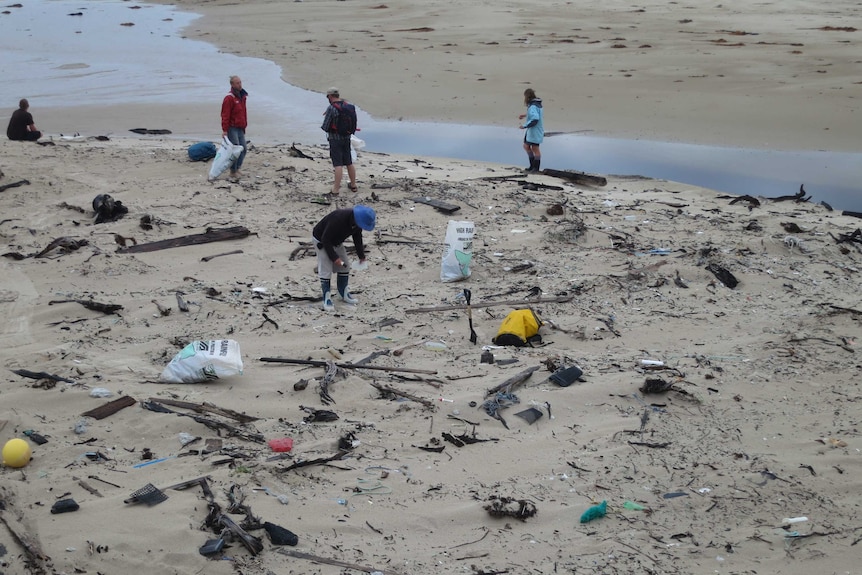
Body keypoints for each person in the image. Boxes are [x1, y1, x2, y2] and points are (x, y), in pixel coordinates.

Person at [312, 205, 376, 312]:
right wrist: (334, 258)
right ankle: (326, 298)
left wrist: (361, 256)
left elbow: (357, 238)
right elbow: (325, 239)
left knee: (344, 265)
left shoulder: (356, 223)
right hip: (322, 241)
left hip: (337, 242)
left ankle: (343, 293)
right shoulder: (338, 219)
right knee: (326, 269)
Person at [321, 87, 357, 195]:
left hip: (335, 139)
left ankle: (336, 189)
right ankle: (353, 185)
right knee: (349, 162)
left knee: (338, 164)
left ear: (330, 96)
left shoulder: (331, 108)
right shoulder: (348, 106)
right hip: (347, 137)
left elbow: (325, 126)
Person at [221, 75, 248, 181]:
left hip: (240, 127)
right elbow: (225, 115)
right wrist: (224, 130)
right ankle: (232, 171)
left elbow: (243, 112)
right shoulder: (229, 98)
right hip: (232, 127)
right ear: (232, 84)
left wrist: (244, 125)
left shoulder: (242, 96)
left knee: (244, 149)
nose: (240, 85)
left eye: (240, 82)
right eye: (237, 83)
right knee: (235, 150)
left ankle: (237, 168)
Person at [518, 88, 544, 172]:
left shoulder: (533, 105)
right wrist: (525, 115)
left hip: (534, 130)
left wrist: (524, 126)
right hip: (532, 130)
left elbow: (535, 119)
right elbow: (534, 114)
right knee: (526, 146)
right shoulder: (536, 104)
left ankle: (535, 168)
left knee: (535, 148)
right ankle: (532, 166)